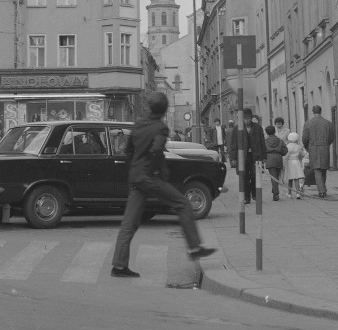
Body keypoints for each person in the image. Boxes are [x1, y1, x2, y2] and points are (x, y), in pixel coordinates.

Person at [111, 92, 215, 278]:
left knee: (129, 223)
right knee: (183, 204)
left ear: (149, 107)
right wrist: (155, 170)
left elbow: (127, 151)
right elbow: (157, 149)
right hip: (148, 177)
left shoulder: (138, 124)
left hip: (136, 177)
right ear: (164, 110)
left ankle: (118, 266)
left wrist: (136, 168)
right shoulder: (160, 128)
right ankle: (194, 248)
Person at [302, 105, 334, 198]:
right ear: (321, 111)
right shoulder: (328, 123)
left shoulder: (308, 123)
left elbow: (305, 138)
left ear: (313, 111)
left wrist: (307, 146)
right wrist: (327, 144)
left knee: (317, 170)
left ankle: (321, 191)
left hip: (314, 148)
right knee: (323, 169)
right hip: (324, 147)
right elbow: (332, 136)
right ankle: (323, 188)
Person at [240, 108, 265, 204]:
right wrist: (233, 158)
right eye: (245, 118)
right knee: (245, 177)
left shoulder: (258, 128)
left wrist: (264, 157)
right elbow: (234, 144)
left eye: (249, 118)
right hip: (244, 157)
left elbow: (262, 142)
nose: (247, 120)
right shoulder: (238, 128)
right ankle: (247, 197)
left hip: (256, 155)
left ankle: (254, 193)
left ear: (251, 118)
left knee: (255, 175)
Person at [263, 124, 287, 202]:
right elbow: (285, 150)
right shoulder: (280, 141)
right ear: (274, 131)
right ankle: (275, 192)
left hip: (269, 158)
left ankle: (275, 193)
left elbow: (263, 150)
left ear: (266, 132)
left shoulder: (265, 141)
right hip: (278, 158)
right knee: (277, 176)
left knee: (273, 177)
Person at [284, 132, 307, 199]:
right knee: (296, 179)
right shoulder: (298, 146)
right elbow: (302, 155)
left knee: (290, 179)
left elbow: (286, 156)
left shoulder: (287, 146)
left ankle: (289, 193)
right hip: (296, 162)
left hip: (289, 162)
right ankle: (298, 193)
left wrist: (284, 163)